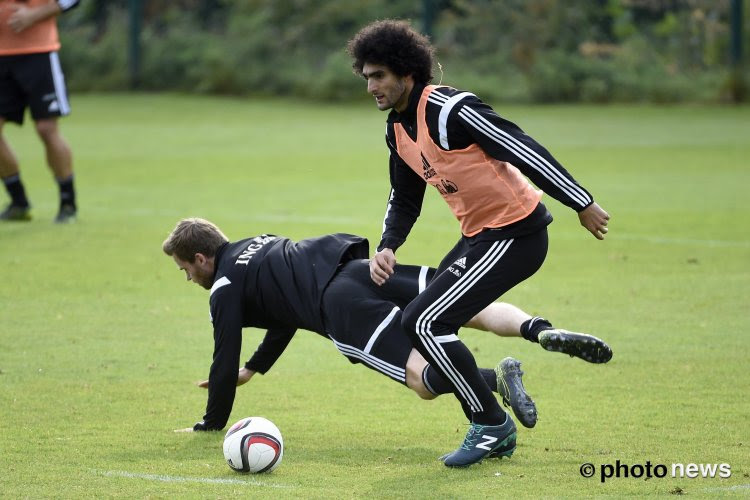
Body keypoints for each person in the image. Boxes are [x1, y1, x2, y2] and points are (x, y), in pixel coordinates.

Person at [347, 19, 612, 466]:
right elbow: (404, 197)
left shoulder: (450, 110)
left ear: (407, 73)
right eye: (366, 77)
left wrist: (580, 202)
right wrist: (388, 244)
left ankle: (490, 425)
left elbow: (521, 146)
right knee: (424, 322)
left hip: (518, 234)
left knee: (424, 323)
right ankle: (513, 374)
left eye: (379, 76)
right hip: (478, 237)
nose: (371, 86)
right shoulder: (397, 130)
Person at [163, 218, 612, 455]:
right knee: (464, 306)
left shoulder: (223, 286)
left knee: (420, 381)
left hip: (341, 309)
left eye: (185, 269)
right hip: (362, 269)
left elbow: (223, 357)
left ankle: (493, 379)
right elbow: (284, 318)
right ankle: (539, 329)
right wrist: (255, 369)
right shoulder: (257, 244)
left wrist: (212, 422)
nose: (188, 278)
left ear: (201, 258)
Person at [0, 0, 79, 223]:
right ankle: (18, 201)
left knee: (46, 129)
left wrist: (33, 15)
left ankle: (68, 202)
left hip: (39, 54)